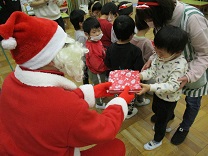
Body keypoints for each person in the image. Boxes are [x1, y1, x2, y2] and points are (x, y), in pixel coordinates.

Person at [0, 11, 135, 156]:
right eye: (64, 45)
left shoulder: (9, 82)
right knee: (117, 146)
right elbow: (105, 129)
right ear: (50, 58)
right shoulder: (65, 108)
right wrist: (120, 102)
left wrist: (88, 92)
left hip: (18, 148)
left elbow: (46, 108)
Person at [136, 0, 208, 145]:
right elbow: (160, 45)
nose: (149, 24)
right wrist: (153, 58)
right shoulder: (160, 18)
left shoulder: (192, 19)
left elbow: (205, 54)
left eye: (150, 20)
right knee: (167, 104)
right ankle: (168, 116)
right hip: (167, 71)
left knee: (192, 101)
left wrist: (189, 76)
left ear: (161, 12)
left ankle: (184, 127)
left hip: (194, 70)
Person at [137, 25, 188, 150]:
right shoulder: (159, 56)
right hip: (158, 92)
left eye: (160, 52)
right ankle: (168, 118)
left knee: (160, 122)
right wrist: (140, 75)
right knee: (156, 108)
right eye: (156, 50)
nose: (157, 54)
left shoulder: (180, 66)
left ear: (177, 52)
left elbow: (172, 86)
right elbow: (152, 70)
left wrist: (149, 87)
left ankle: (157, 139)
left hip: (169, 98)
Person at [104, 15, 144, 119]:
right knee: (130, 96)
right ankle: (129, 112)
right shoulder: (136, 51)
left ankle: (120, 107)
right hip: (130, 81)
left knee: (118, 94)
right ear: (131, 35)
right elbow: (138, 68)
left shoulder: (110, 48)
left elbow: (107, 63)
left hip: (116, 80)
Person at [83, 17, 109, 109]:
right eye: (94, 32)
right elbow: (98, 66)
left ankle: (101, 96)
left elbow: (101, 50)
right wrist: (107, 66)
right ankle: (99, 103)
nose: (98, 33)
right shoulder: (92, 49)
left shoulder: (96, 41)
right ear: (87, 34)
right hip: (97, 72)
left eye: (99, 30)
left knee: (101, 84)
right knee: (99, 86)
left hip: (99, 69)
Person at [70, 9, 89, 84]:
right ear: (81, 23)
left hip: (83, 60)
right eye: (85, 20)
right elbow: (83, 50)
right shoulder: (82, 36)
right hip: (84, 60)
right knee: (85, 75)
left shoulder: (78, 32)